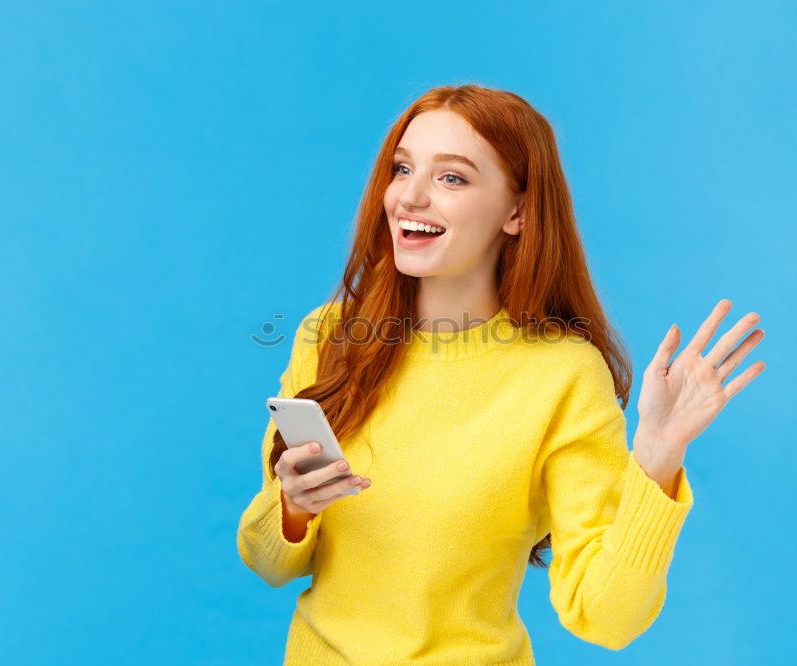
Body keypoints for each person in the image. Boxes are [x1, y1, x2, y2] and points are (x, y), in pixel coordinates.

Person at [237, 84, 765, 664]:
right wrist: (292, 507)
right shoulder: (332, 336)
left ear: (517, 211)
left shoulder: (562, 375)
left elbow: (606, 617)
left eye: (452, 178)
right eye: (402, 168)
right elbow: (268, 562)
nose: (409, 197)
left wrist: (660, 455)